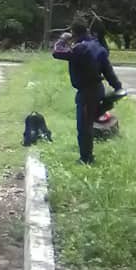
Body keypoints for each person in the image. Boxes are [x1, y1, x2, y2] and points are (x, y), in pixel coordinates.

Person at [53, 22, 125, 165]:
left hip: (86, 92)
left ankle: (86, 159)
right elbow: (108, 71)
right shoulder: (98, 46)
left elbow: (57, 52)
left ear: (74, 33)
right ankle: (88, 155)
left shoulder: (80, 48)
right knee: (89, 123)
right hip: (98, 89)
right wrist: (118, 87)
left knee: (84, 127)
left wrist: (63, 39)